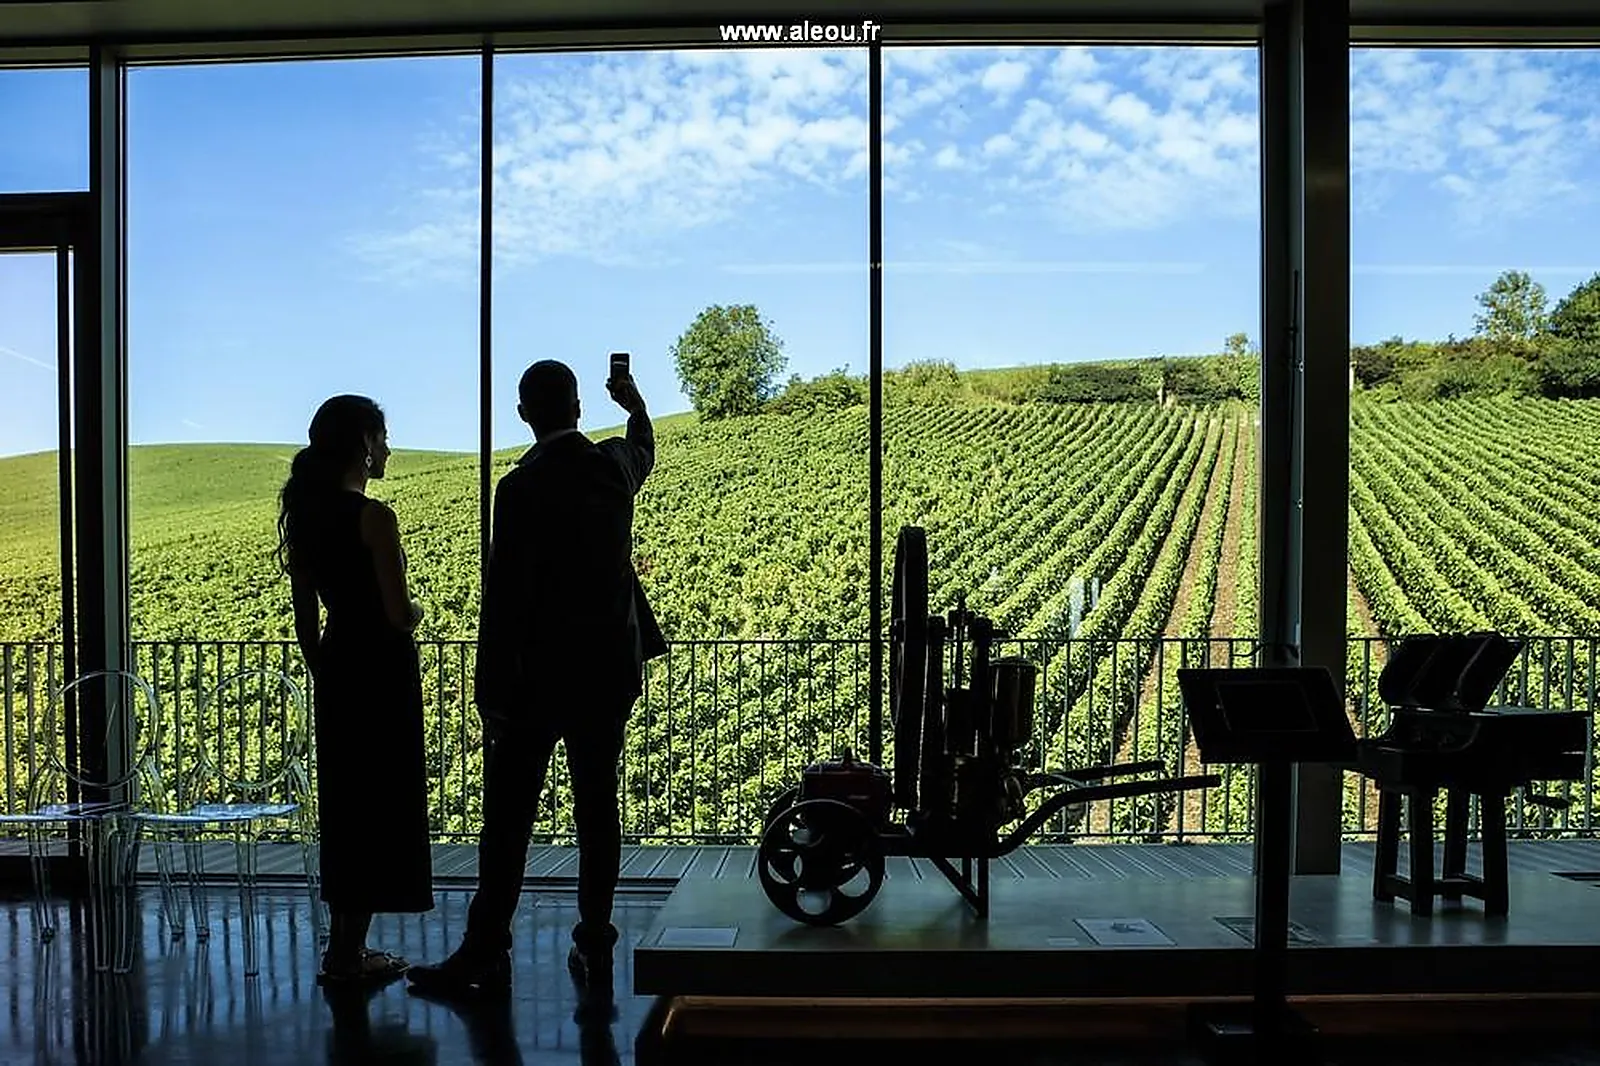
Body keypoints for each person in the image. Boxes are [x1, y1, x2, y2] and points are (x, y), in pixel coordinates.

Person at [406, 360, 664, 1003]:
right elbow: (643, 448)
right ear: (578, 407)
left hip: (535, 684)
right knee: (598, 811)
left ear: (525, 413)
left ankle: (485, 947)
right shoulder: (611, 468)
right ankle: (595, 937)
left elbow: (507, 599)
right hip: (607, 677)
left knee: (509, 820)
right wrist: (634, 402)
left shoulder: (519, 490)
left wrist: (489, 689)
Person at [277, 394, 435, 984]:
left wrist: (327, 671)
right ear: (364, 444)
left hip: (340, 666)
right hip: (382, 671)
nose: (389, 448)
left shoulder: (309, 519)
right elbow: (398, 613)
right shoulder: (375, 517)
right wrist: (418, 609)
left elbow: (304, 623)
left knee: (348, 806)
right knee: (382, 803)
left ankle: (342, 951)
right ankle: (351, 952)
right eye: (384, 437)